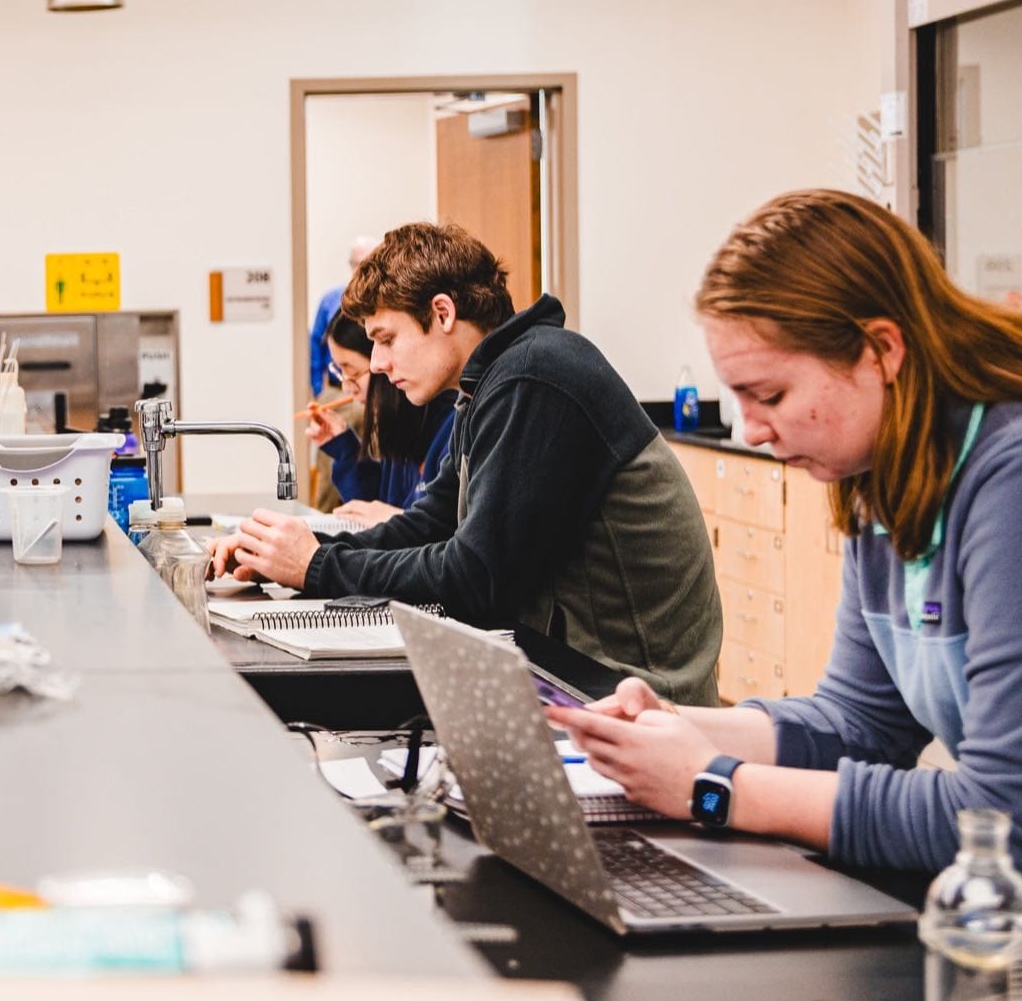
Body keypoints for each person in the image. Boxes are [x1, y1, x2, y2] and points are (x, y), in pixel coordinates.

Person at [549, 189, 1022, 914]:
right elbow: (863, 725)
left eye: (769, 394)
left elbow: (1012, 822)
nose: (751, 430)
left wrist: (715, 787)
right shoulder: (891, 468)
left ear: (881, 351)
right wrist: (677, 730)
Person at [215, 220, 721, 705]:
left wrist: (317, 566)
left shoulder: (535, 376)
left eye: (387, 339)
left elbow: (475, 578)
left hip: (633, 693)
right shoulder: (489, 386)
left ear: (442, 313)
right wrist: (293, 556)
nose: (377, 363)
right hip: (573, 671)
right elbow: (429, 527)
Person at [309, 306, 456, 528]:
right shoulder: (401, 425)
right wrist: (344, 448)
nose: (347, 388)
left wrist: (399, 522)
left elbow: (445, 539)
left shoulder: (452, 423)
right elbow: (379, 505)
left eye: (351, 370)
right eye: (340, 372)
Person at [307, 233, 381, 398]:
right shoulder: (331, 300)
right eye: (355, 264)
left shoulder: (383, 304)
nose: (360, 270)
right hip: (336, 389)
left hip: (372, 389)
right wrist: (319, 388)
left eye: (366, 264)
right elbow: (316, 343)